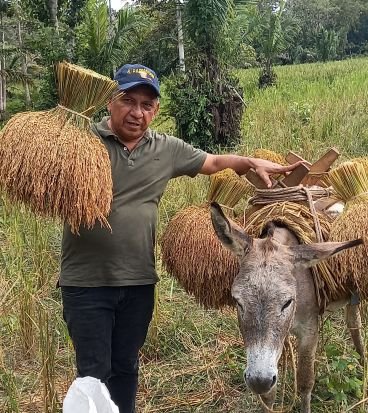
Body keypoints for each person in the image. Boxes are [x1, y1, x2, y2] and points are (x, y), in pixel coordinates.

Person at [59, 63, 301, 413]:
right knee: (92, 375)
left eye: (147, 105)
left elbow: (215, 162)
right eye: (128, 100)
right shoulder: (82, 144)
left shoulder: (165, 148)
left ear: (155, 110)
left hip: (138, 282)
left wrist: (249, 161)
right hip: (86, 284)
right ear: (110, 101)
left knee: (126, 366)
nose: (137, 112)